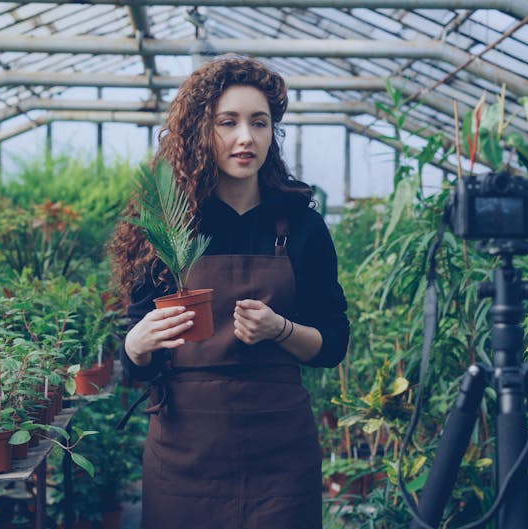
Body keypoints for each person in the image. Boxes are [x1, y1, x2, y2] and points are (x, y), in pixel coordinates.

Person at [109, 55, 350, 528]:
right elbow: (137, 364)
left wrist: (280, 329)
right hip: (186, 452)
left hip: (280, 453)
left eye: (259, 123)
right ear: (202, 131)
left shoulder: (302, 227)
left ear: (271, 134)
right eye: (228, 122)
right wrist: (135, 346)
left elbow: (333, 344)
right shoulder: (167, 225)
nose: (246, 137)